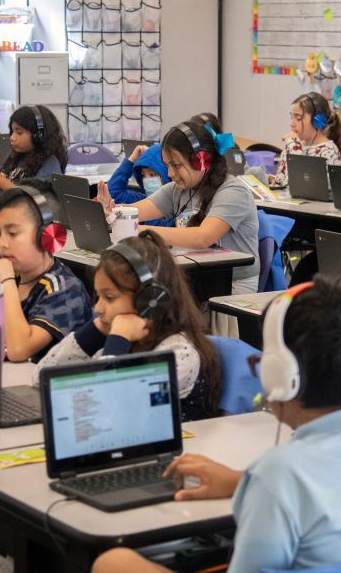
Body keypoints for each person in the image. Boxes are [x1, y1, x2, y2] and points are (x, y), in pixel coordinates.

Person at [92, 277, 341, 573]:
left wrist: (258, 483)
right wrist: (243, 482)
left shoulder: (278, 474)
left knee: (114, 563)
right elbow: (333, 490)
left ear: (281, 375)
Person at [38, 230, 221, 420]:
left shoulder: (179, 354)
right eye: (98, 296)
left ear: (148, 300)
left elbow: (104, 406)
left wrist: (117, 341)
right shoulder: (119, 337)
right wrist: (92, 334)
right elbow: (41, 379)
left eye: (109, 298)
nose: (98, 308)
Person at [95, 118, 260, 293]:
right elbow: (136, 211)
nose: (170, 173)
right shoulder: (177, 189)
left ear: (201, 160)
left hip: (232, 286)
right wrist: (111, 212)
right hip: (193, 276)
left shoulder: (233, 192)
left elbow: (203, 237)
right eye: (167, 165)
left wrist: (141, 230)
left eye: (176, 165)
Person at [0, 180, 92, 362]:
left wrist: (7, 282)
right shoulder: (16, 279)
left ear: (46, 235)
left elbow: (19, 349)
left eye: (12, 233)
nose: (2, 244)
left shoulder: (65, 289)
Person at [0, 105, 67, 203]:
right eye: (12, 132)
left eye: (19, 133)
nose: (12, 137)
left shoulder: (50, 163)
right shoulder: (16, 159)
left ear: (38, 136)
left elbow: (30, 200)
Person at [273, 92, 341, 186]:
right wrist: (274, 181)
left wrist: (293, 146)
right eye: (291, 117)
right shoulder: (294, 144)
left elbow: (301, 184)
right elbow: (282, 180)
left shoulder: (328, 150)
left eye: (298, 118)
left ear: (317, 121)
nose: (292, 124)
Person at [108, 143, 172, 228]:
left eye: (152, 174)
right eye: (143, 175)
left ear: (167, 173)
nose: (147, 180)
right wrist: (131, 160)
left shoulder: (178, 207)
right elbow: (114, 194)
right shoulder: (142, 200)